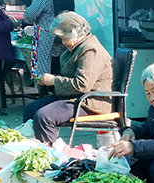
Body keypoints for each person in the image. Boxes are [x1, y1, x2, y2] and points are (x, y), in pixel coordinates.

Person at [22, 11, 112, 143]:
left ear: (75, 34)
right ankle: (30, 148)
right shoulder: (77, 47)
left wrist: (53, 80)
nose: (63, 42)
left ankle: (49, 157)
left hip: (91, 103)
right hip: (74, 98)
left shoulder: (91, 50)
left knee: (44, 117)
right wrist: (48, 82)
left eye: (64, 38)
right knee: (30, 109)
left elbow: (82, 84)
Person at [24, 0, 75, 94]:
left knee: (46, 70)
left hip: (48, 40)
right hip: (64, 38)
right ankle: (59, 95)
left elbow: (30, 15)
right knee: (60, 67)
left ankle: (46, 99)